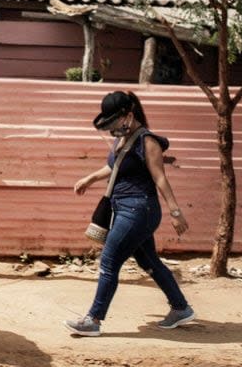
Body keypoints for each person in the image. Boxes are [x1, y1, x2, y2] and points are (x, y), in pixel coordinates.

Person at [65, 90, 195, 337]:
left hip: (139, 211)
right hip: (125, 209)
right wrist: (90, 178)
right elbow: (114, 166)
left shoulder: (147, 141)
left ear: (128, 115)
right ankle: (181, 308)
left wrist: (175, 212)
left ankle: (93, 319)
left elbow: (160, 178)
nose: (111, 126)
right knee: (149, 261)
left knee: (109, 261)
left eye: (114, 120)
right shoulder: (122, 139)